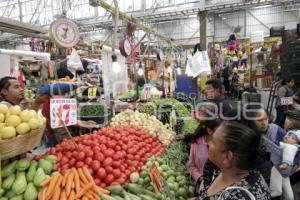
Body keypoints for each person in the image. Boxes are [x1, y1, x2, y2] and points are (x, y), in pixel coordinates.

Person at [198, 121, 270, 200]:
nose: (208, 143)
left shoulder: (237, 196)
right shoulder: (228, 171)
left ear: (227, 157)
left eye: (213, 142)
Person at [187, 103, 222, 194]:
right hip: (201, 187)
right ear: (210, 130)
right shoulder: (197, 143)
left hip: (219, 189)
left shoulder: (223, 146)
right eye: (218, 130)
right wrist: (199, 178)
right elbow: (192, 165)